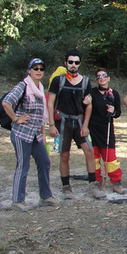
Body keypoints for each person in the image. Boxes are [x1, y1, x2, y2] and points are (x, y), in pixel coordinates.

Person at [2, 58, 60, 211]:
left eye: (41, 68)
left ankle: (46, 196)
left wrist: (42, 133)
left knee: (44, 162)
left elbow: (41, 115)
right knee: (23, 165)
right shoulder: (23, 86)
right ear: (29, 71)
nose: (39, 71)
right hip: (21, 134)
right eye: (35, 68)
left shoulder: (40, 88)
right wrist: (15, 118)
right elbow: (6, 102)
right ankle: (17, 200)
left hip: (35, 135)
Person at [46, 49, 102, 199]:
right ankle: (66, 187)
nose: (73, 65)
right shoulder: (58, 80)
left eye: (76, 62)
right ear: (65, 63)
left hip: (78, 121)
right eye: (70, 62)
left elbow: (89, 105)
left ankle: (92, 186)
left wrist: (85, 125)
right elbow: (50, 103)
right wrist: (51, 125)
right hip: (62, 122)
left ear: (79, 64)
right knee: (64, 154)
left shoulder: (85, 81)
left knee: (89, 151)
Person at [82, 68, 127, 195]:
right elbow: (84, 107)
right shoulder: (91, 92)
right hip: (93, 130)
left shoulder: (114, 94)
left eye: (104, 75)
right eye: (99, 76)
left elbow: (118, 113)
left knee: (111, 159)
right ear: (97, 80)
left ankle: (116, 183)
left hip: (107, 130)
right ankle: (97, 182)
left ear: (108, 78)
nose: (102, 78)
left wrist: (113, 111)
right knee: (94, 159)